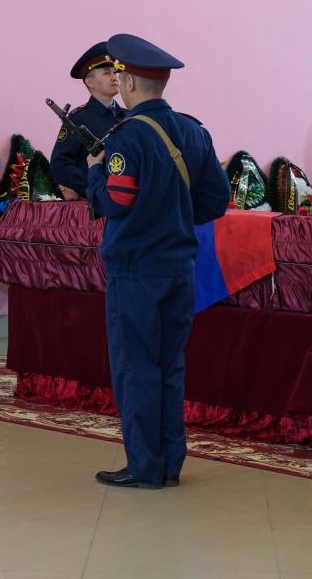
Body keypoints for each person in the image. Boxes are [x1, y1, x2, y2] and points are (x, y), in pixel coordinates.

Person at [86, 33, 230, 489]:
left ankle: (145, 466)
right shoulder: (193, 130)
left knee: (136, 367)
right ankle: (170, 462)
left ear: (128, 83)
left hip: (136, 271)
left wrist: (94, 174)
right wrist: (175, 215)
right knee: (170, 366)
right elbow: (216, 200)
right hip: (180, 267)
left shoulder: (127, 137)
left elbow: (117, 200)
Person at [49, 42, 124, 200]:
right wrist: (90, 187)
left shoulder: (129, 116)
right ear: (89, 82)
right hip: (94, 208)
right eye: (106, 73)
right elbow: (60, 163)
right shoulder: (78, 119)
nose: (114, 77)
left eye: (114, 72)